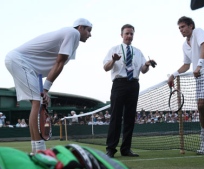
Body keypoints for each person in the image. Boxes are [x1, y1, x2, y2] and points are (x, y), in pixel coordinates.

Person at [5, 18, 92, 154]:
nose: (90, 34)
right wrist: (45, 89)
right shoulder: (72, 33)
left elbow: (54, 64)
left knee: (37, 102)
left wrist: (44, 89)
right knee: (37, 102)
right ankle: (39, 150)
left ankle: (36, 150)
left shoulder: (71, 38)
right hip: (19, 61)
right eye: (88, 30)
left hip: (27, 67)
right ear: (80, 27)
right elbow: (59, 63)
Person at [167, 16, 204, 155]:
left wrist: (199, 65)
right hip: (200, 77)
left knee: (201, 105)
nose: (181, 30)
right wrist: (173, 74)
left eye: (183, 27)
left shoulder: (198, 32)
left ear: (191, 26)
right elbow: (186, 65)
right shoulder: (184, 45)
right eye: (179, 28)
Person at [103, 24, 156, 158]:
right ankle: (110, 149)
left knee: (129, 118)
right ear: (122, 35)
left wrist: (147, 64)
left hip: (133, 84)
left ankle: (126, 149)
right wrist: (113, 60)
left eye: (131, 34)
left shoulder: (138, 51)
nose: (129, 36)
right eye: (127, 33)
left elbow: (143, 70)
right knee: (115, 117)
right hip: (119, 84)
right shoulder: (114, 49)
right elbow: (106, 67)